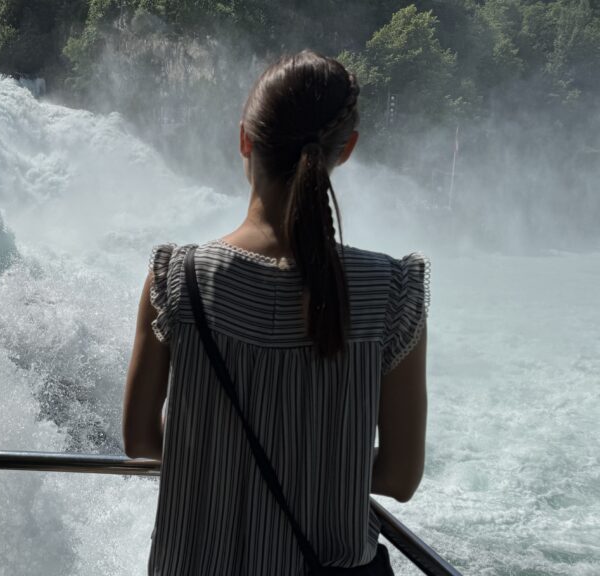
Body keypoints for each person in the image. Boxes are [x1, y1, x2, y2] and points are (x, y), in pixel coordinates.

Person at [122, 50, 428, 575]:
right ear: (346, 150)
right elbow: (400, 478)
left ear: (245, 138)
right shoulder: (392, 292)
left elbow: (141, 441)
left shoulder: (177, 281)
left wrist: (221, 460)